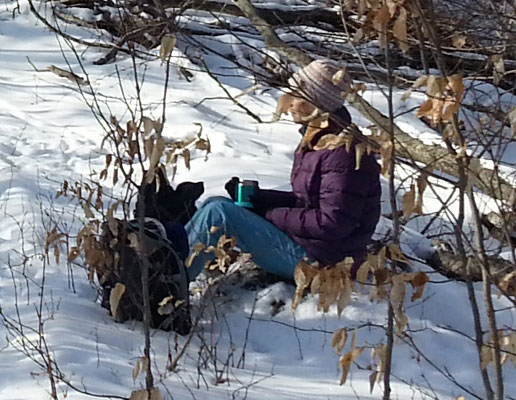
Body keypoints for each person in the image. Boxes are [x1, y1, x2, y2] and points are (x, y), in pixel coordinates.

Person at [185, 59, 381, 280]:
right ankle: (165, 268)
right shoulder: (317, 141)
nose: (288, 103)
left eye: (296, 96)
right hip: (311, 247)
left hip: (325, 265)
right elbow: (306, 202)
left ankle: (170, 282)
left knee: (219, 214)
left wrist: (269, 214)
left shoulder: (343, 152)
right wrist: (261, 199)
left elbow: (332, 223)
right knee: (215, 204)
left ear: (316, 102)